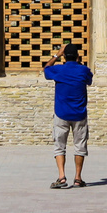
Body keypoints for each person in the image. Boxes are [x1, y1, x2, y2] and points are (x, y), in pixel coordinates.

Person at [43, 43, 93, 188]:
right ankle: (78, 178)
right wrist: (80, 62)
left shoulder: (58, 70)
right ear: (77, 56)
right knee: (80, 147)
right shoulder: (83, 71)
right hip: (79, 114)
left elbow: (46, 69)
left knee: (59, 146)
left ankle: (62, 177)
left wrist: (56, 55)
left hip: (61, 113)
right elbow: (89, 79)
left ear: (64, 56)